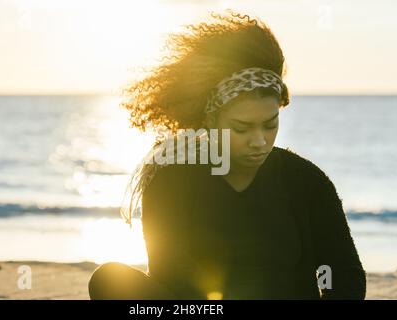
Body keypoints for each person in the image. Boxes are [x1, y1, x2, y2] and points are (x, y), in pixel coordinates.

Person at [88, 10, 366, 300]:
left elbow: (345, 276)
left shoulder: (307, 182)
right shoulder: (172, 177)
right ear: (211, 121)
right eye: (242, 128)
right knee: (110, 279)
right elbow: (169, 279)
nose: (259, 141)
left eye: (270, 124)